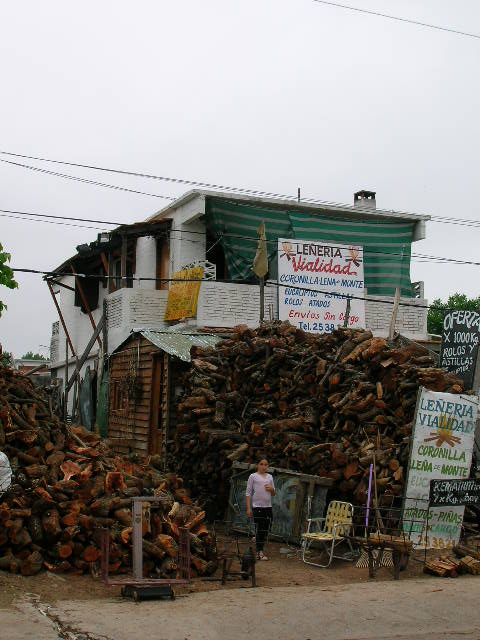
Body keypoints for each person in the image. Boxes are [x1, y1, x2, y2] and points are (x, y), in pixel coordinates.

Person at [245, 458, 275, 560]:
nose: (263, 466)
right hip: (257, 506)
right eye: (261, 464)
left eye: (266, 464)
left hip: (268, 507)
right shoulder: (253, 476)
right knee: (261, 528)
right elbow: (248, 493)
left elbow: (273, 493)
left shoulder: (270, 477)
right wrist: (249, 508)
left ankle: (258, 540)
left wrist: (271, 489)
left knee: (266, 528)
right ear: (257, 465)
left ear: (268, 466)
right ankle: (259, 552)